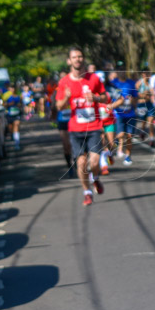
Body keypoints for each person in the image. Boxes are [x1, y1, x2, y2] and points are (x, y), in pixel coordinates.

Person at [55, 47, 106, 206]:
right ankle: (87, 192)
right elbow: (59, 106)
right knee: (82, 163)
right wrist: (67, 98)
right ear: (69, 61)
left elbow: (105, 97)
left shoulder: (94, 79)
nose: (78, 59)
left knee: (95, 162)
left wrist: (95, 98)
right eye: (74, 57)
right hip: (76, 129)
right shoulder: (64, 82)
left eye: (80, 56)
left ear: (83, 59)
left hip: (94, 127)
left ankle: (95, 178)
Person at [110, 70, 138, 166]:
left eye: (123, 71)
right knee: (121, 134)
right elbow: (108, 97)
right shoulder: (113, 83)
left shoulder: (131, 83)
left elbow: (136, 99)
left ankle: (128, 156)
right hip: (118, 114)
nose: (122, 73)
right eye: (119, 71)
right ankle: (116, 142)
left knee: (129, 136)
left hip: (130, 114)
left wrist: (132, 100)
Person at [135, 70, 155, 146]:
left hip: (149, 104)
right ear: (142, 74)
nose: (147, 75)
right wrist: (143, 95)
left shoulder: (151, 83)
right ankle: (142, 131)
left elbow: (153, 92)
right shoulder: (139, 83)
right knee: (143, 121)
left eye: (148, 73)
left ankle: (152, 139)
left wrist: (150, 94)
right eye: (145, 73)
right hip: (141, 104)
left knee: (151, 121)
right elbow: (135, 93)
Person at [1, 82, 22, 150]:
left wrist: (19, 105)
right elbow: (3, 105)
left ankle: (17, 144)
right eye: (11, 88)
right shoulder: (6, 96)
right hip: (9, 114)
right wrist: (9, 104)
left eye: (13, 88)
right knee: (11, 129)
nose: (12, 89)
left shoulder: (18, 95)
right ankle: (13, 136)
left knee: (16, 125)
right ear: (8, 88)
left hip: (16, 114)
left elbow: (21, 104)